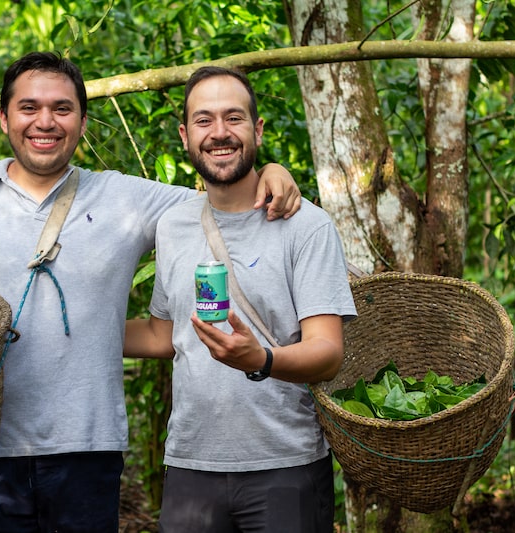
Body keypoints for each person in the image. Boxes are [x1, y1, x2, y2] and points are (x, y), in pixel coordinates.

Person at [0, 52, 302, 532]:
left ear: (82, 122)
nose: (45, 122)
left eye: (62, 109)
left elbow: (226, 200)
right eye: (29, 108)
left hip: (87, 451)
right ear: (5, 118)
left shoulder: (125, 197)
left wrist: (273, 170)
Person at [124, 66, 358, 532]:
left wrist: (262, 358)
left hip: (286, 466)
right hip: (191, 464)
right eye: (204, 120)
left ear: (257, 129)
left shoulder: (306, 226)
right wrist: (70, 329)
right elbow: (164, 334)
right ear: (185, 136)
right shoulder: (173, 226)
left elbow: (328, 352)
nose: (219, 133)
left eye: (234, 118)